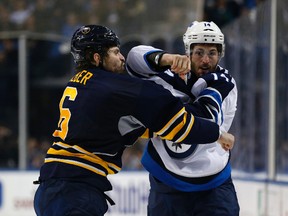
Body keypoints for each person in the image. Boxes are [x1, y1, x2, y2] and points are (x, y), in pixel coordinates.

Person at [33, 24, 235, 216]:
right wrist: (218, 133)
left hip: (55, 186)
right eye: (114, 52)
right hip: (74, 191)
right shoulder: (122, 89)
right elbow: (182, 127)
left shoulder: (80, 83)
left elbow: (132, 126)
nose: (122, 58)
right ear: (97, 57)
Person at [126, 21, 240, 215]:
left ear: (220, 54)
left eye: (212, 53)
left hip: (213, 184)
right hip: (166, 181)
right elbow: (133, 58)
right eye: (199, 52)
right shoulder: (168, 72)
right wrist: (166, 59)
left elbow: (200, 122)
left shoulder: (225, 84)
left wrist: (156, 112)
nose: (205, 60)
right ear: (188, 52)